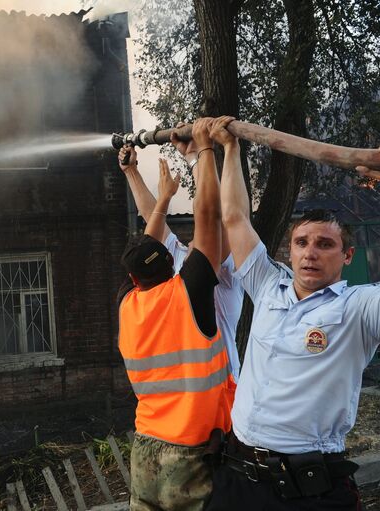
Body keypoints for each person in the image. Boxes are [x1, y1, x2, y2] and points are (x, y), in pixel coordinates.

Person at [204, 117, 380, 510]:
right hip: (236, 479)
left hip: (307, 492)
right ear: (289, 251)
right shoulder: (266, 284)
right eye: (301, 242)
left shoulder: (361, 308)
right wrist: (230, 148)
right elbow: (236, 218)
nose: (310, 252)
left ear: (347, 256)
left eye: (325, 244)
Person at [118, 118, 235, 510]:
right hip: (192, 444)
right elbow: (210, 216)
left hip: (145, 444)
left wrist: (135, 174)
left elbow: (148, 241)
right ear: (171, 262)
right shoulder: (192, 287)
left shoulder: (127, 303)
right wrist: (205, 152)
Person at [118, 138, 243, 382]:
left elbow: (150, 224)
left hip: (166, 410)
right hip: (214, 401)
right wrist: (197, 156)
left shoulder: (132, 302)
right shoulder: (193, 276)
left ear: (133, 279)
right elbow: (211, 213)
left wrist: (132, 174)